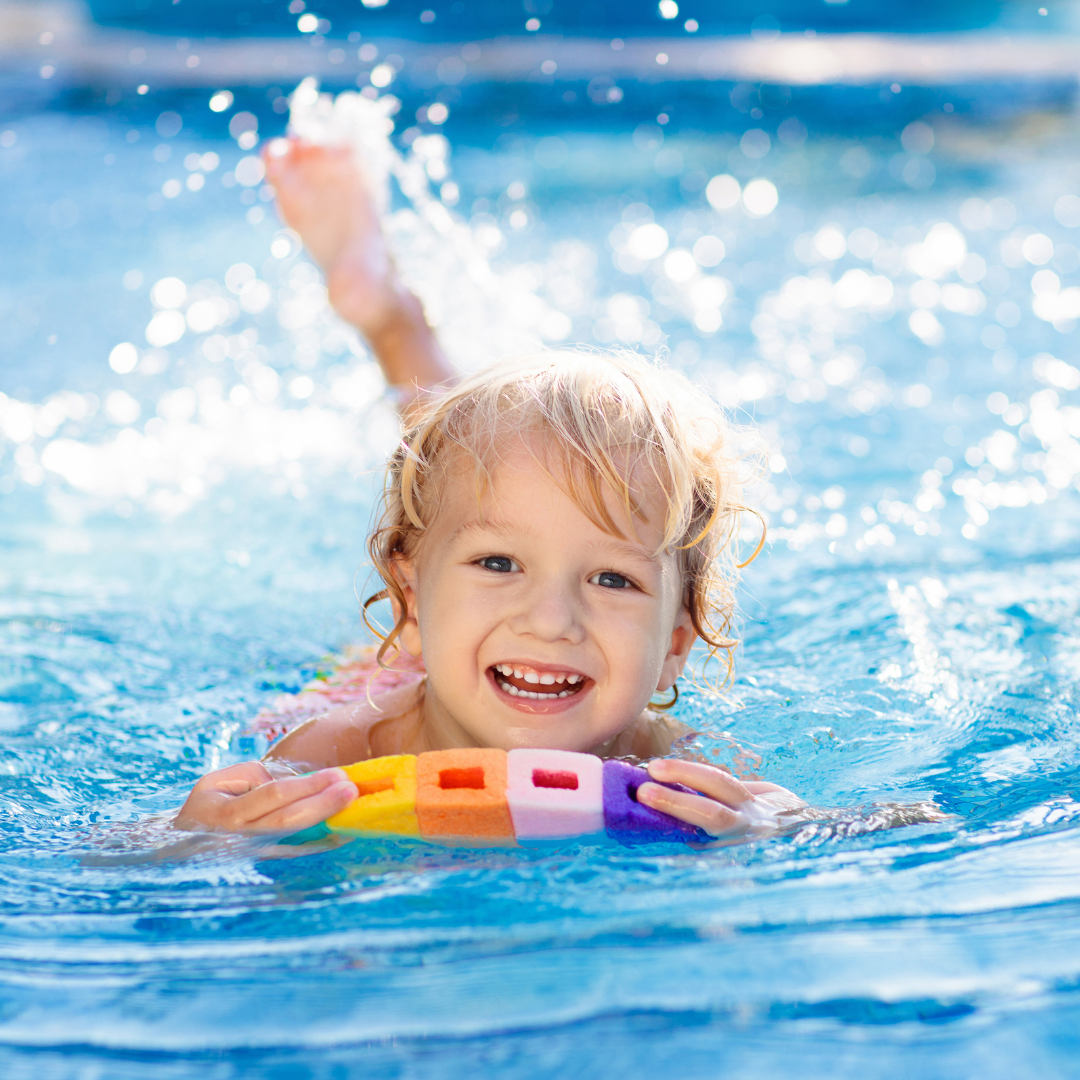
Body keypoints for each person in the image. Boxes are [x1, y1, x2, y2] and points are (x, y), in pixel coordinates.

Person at [173, 138, 805, 841]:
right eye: (500, 564)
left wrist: (773, 824)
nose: (550, 620)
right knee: (450, 468)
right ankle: (388, 313)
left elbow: (884, 825)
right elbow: (126, 866)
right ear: (407, 603)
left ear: (675, 646)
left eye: (612, 578)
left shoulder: (680, 765)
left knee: (474, 487)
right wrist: (201, 835)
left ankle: (390, 314)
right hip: (385, 676)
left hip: (464, 641)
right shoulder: (336, 752)